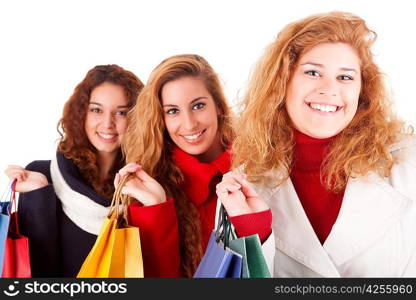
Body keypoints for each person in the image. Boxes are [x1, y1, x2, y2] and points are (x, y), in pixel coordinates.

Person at [216, 11, 416, 277]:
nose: (329, 89)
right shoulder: (240, 188)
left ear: (362, 91)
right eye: (313, 72)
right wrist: (255, 235)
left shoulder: (407, 164)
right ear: (282, 82)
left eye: (345, 77)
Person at [116, 54, 272, 277]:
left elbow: (274, 270)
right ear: (161, 119)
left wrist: (252, 223)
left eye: (198, 106)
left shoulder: (261, 167)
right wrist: (155, 206)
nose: (189, 124)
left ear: (218, 106)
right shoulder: (150, 183)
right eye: (173, 111)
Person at [4, 64, 144, 277]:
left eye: (121, 113)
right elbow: (36, 277)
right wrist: (39, 194)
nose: (108, 123)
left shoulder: (144, 186)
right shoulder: (42, 175)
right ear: (81, 114)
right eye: (96, 110)